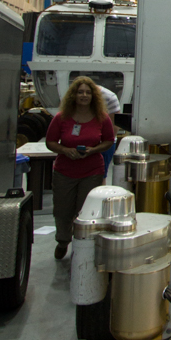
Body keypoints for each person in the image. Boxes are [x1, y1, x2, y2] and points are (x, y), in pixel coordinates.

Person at [46, 76, 115, 260]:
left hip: (92, 171)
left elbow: (109, 141)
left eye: (87, 92)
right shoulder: (62, 118)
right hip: (64, 171)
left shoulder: (102, 118)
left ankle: (81, 245)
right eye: (80, 92)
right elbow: (50, 142)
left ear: (93, 96)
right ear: (73, 95)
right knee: (62, 210)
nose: (84, 95)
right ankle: (62, 240)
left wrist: (94, 150)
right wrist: (65, 150)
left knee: (85, 211)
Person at [96, 84, 121, 175]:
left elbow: (113, 126)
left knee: (100, 175)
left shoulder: (109, 97)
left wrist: (102, 146)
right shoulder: (73, 95)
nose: (84, 95)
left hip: (102, 145)